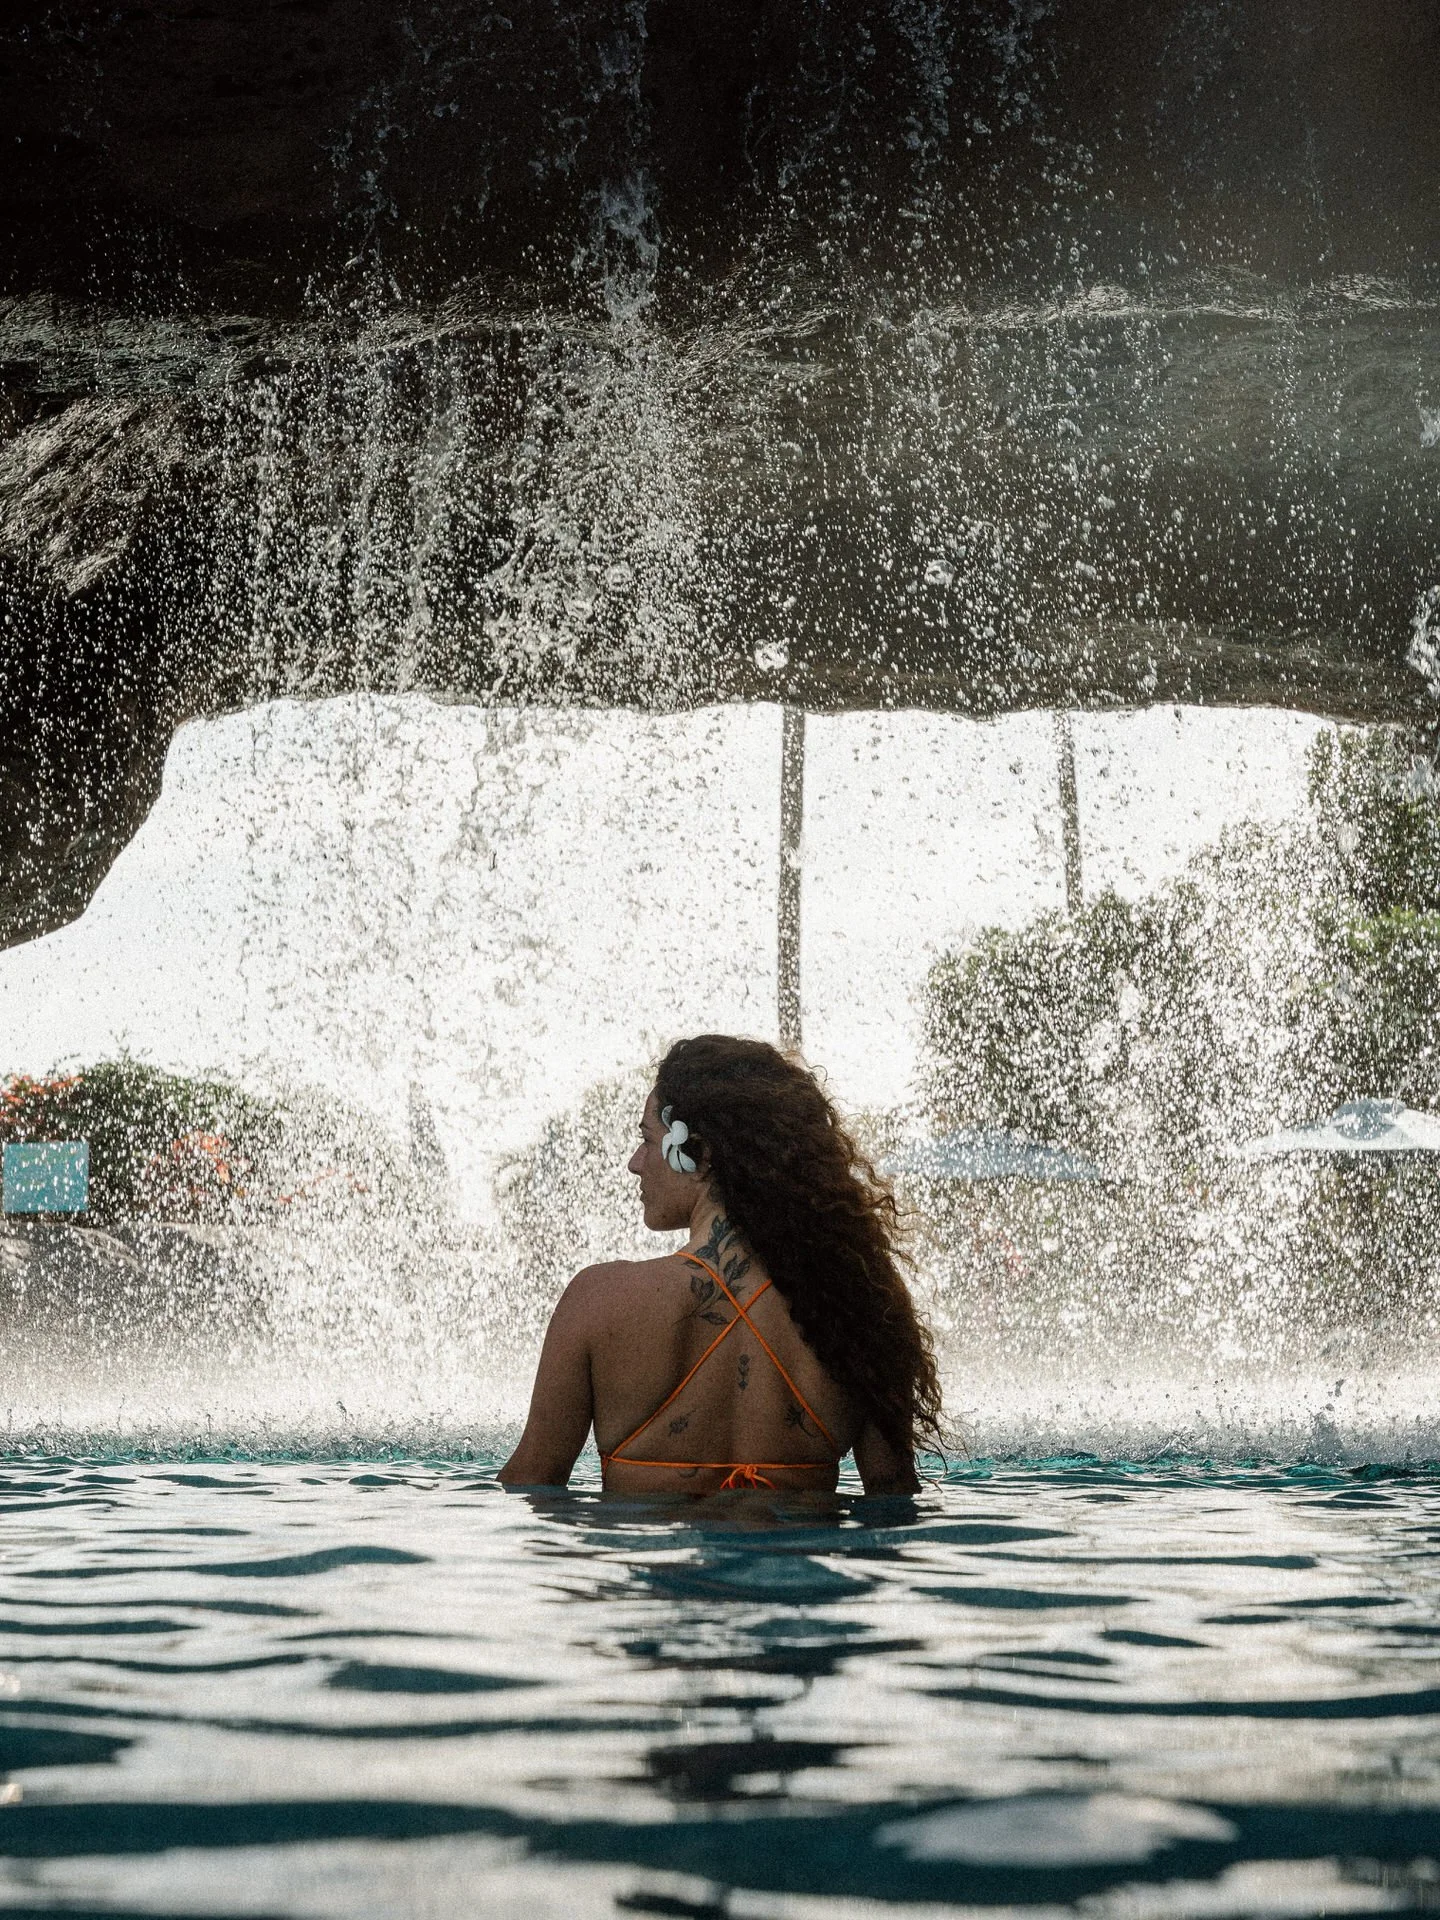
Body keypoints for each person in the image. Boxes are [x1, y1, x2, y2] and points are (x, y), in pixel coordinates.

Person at [499, 1034, 942, 1494]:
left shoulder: (597, 1302)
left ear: (702, 1154)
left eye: (647, 1140)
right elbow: (892, 1500)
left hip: (658, 1557)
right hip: (795, 1563)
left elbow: (531, 1483)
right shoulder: (856, 1306)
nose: (635, 1163)